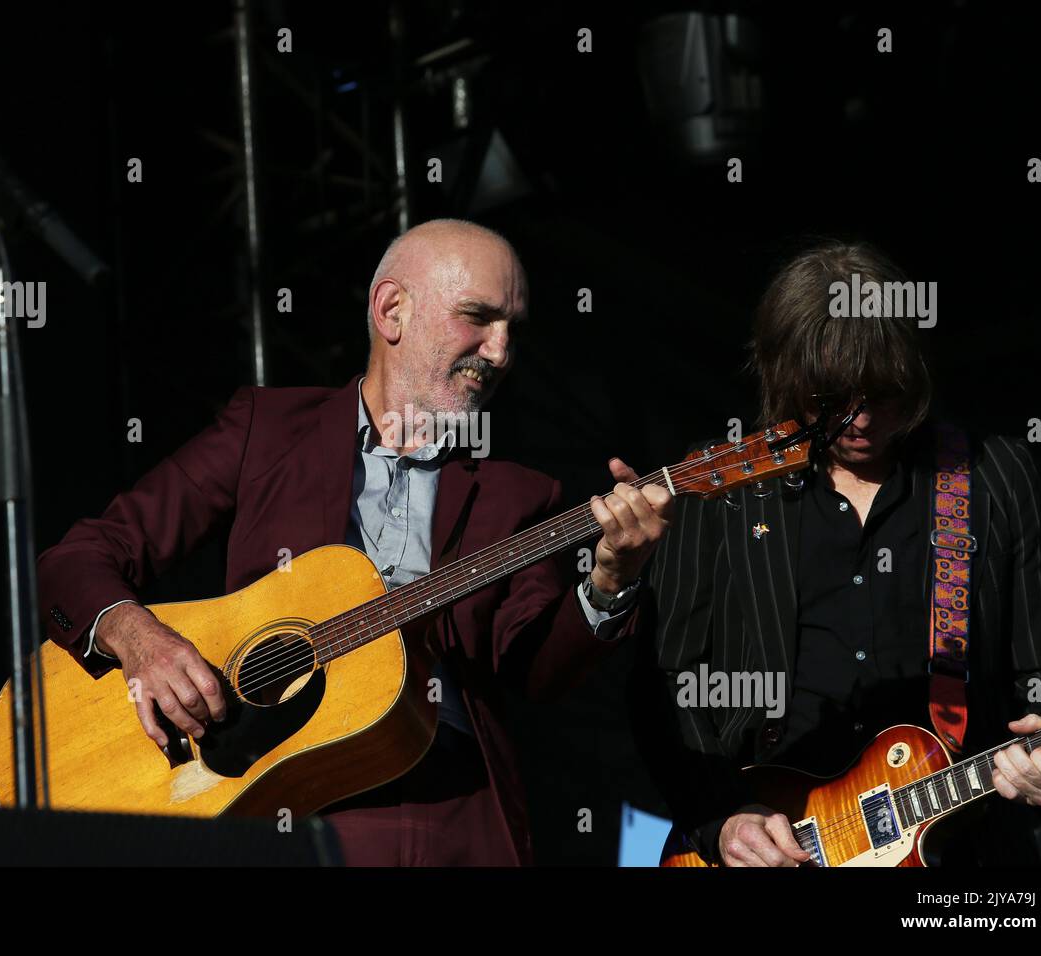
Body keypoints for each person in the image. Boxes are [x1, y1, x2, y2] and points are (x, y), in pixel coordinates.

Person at [37, 218, 673, 865]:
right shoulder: (269, 429)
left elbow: (535, 669)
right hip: (267, 788)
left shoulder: (519, 493)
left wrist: (610, 581)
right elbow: (77, 559)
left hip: (441, 803)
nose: (501, 351)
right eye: (479, 318)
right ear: (392, 310)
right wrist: (142, 642)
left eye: (514, 329)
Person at [631, 240, 1041, 866]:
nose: (861, 419)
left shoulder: (994, 475)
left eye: (882, 393)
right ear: (786, 378)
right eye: (832, 399)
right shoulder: (720, 486)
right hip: (772, 845)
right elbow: (665, 689)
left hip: (958, 851)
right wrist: (720, 817)